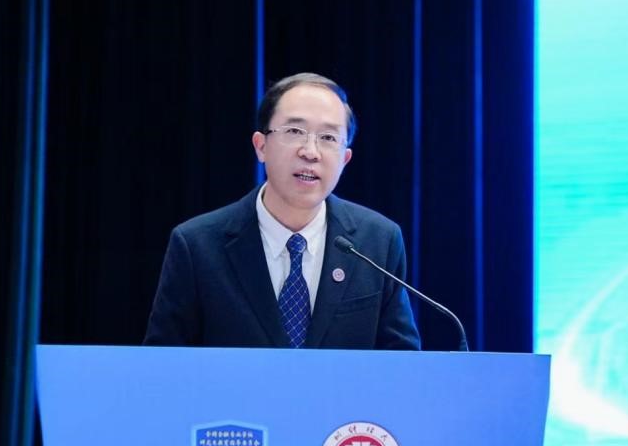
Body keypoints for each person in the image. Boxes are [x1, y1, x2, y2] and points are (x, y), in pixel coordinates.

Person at [144, 72, 421, 350]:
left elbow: (403, 361)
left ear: (345, 159)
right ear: (261, 146)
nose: (310, 152)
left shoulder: (377, 242)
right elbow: (162, 363)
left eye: (328, 137)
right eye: (294, 132)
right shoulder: (197, 246)